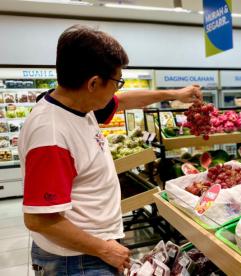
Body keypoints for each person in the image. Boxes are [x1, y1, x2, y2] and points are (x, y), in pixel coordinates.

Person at [18, 25, 202, 275]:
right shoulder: (51, 136)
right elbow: (39, 219)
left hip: (89, 251)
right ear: (93, 83)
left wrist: (175, 94)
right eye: (117, 82)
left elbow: (125, 100)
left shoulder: (77, 104)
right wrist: (104, 249)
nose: (118, 89)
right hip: (77, 261)